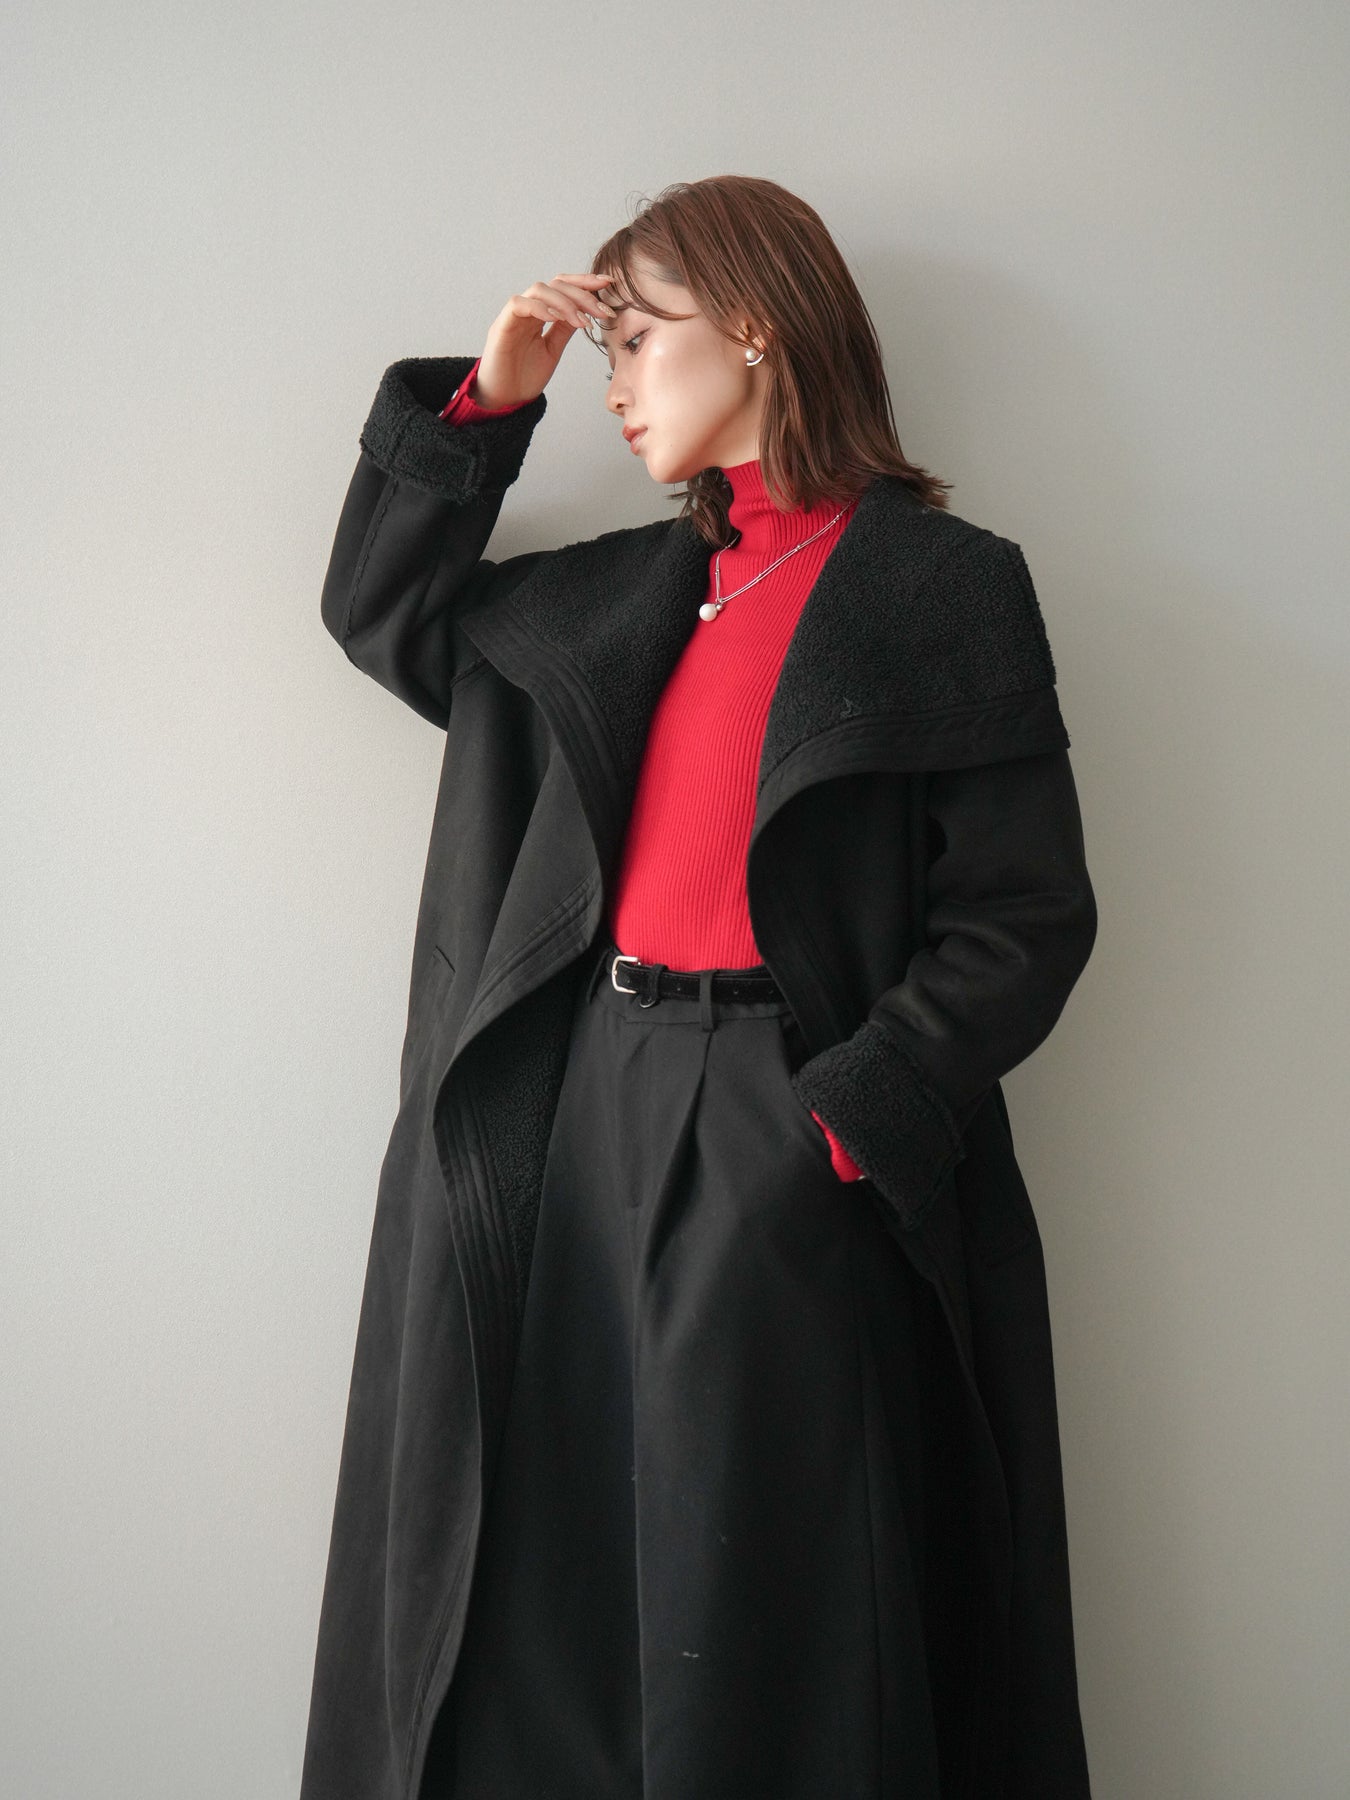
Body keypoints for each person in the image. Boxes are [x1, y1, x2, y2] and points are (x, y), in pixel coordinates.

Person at [300, 175, 1098, 1800]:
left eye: (633, 338)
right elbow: (384, 615)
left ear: (752, 328)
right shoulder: (606, 601)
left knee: (769, 1576)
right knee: (548, 1565)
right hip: (570, 1099)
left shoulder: (939, 589)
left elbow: (1022, 914)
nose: (610, 382)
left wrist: (846, 1118)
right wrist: (492, 400)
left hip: (784, 1106)